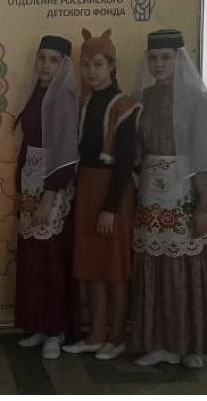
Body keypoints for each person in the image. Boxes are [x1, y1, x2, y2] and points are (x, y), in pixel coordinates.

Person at [131, 29, 207, 369]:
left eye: (166, 57)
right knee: (157, 268)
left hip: (186, 193)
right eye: (153, 58)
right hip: (152, 195)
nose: (159, 64)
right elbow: (138, 148)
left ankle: (190, 345)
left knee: (186, 267)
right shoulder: (144, 98)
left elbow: (206, 155)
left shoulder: (196, 98)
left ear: (179, 59)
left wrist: (204, 206)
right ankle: (160, 343)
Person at [62, 29, 140, 361]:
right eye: (85, 65)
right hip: (87, 189)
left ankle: (117, 335)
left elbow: (125, 163)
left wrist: (110, 208)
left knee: (115, 266)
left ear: (111, 66)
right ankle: (95, 333)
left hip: (113, 193)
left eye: (97, 64)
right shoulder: (85, 103)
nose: (91, 71)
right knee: (92, 264)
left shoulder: (124, 105)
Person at [14, 35, 80, 359]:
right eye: (41, 58)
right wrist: (19, 190)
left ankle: (56, 330)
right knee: (34, 260)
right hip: (31, 183)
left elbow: (66, 155)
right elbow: (27, 145)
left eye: (53, 60)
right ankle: (38, 325)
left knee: (52, 260)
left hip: (52, 189)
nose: (45, 65)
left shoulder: (63, 98)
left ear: (64, 65)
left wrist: (47, 198)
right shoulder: (37, 93)